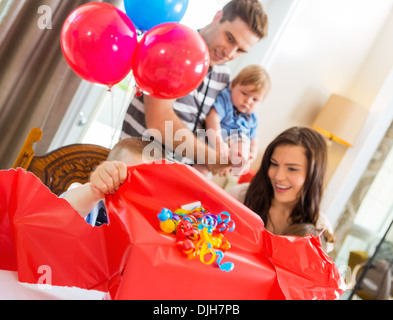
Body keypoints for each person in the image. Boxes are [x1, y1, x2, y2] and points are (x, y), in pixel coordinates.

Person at [121, 0, 269, 174]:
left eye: (240, 50)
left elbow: (217, 124)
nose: (229, 53)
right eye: (229, 38)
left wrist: (239, 147)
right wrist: (212, 157)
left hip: (175, 179)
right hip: (133, 167)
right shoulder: (175, 45)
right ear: (218, 17)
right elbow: (159, 122)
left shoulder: (224, 75)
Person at [227, 126, 335, 251]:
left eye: (292, 169)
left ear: (313, 176)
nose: (278, 176)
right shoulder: (238, 197)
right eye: (274, 164)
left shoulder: (320, 228)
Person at [62, 137, 164, 226]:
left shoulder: (155, 221)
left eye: (145, 185)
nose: (132, 191)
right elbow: (63, 212)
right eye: (123, 179)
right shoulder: (90, 201)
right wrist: (95, 191)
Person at [194, 64, 271, 176]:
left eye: (255, 99)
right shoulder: (226, 99)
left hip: (233, 145)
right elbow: (213, 118)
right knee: (201, 170)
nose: (248, 101)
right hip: (215, 137)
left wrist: (252, 154)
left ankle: (238, 161)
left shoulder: (253, 117)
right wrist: (218, 141)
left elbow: (254, 139)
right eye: (244, 93)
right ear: (233, 86)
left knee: (244, 140)